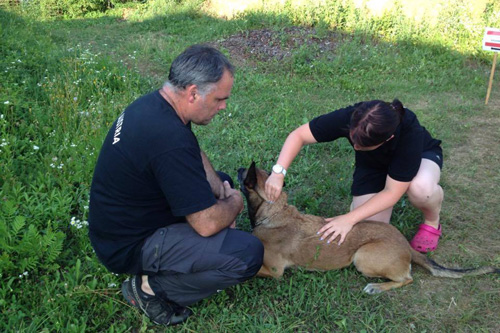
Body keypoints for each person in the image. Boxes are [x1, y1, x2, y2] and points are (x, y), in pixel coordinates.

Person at [88, 45, 264, 327]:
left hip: (123, 221)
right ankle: (149, 289)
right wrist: (234, 203)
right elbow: (206, 224)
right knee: (247, 254)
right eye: (220, 99)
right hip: (129, 244)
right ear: (193, 92)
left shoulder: (156, 106)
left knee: (223, 180)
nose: (223, 106)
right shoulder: (168, 140)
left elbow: (191, 150)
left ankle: (210, 217)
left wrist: (221, 190)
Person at [265, 99, 444, 253]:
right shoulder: (354, 117)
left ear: (387, 139)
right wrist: (278, 172)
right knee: (370, 226)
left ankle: (431, 221)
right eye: (354, 140)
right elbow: (299, 135)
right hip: (374, 165)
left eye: (362, 145)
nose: (356, 147)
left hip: (421, 157)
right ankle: (364, 204)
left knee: (420, 189)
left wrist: (348, 218)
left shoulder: (409, 134)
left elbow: (392, 193)